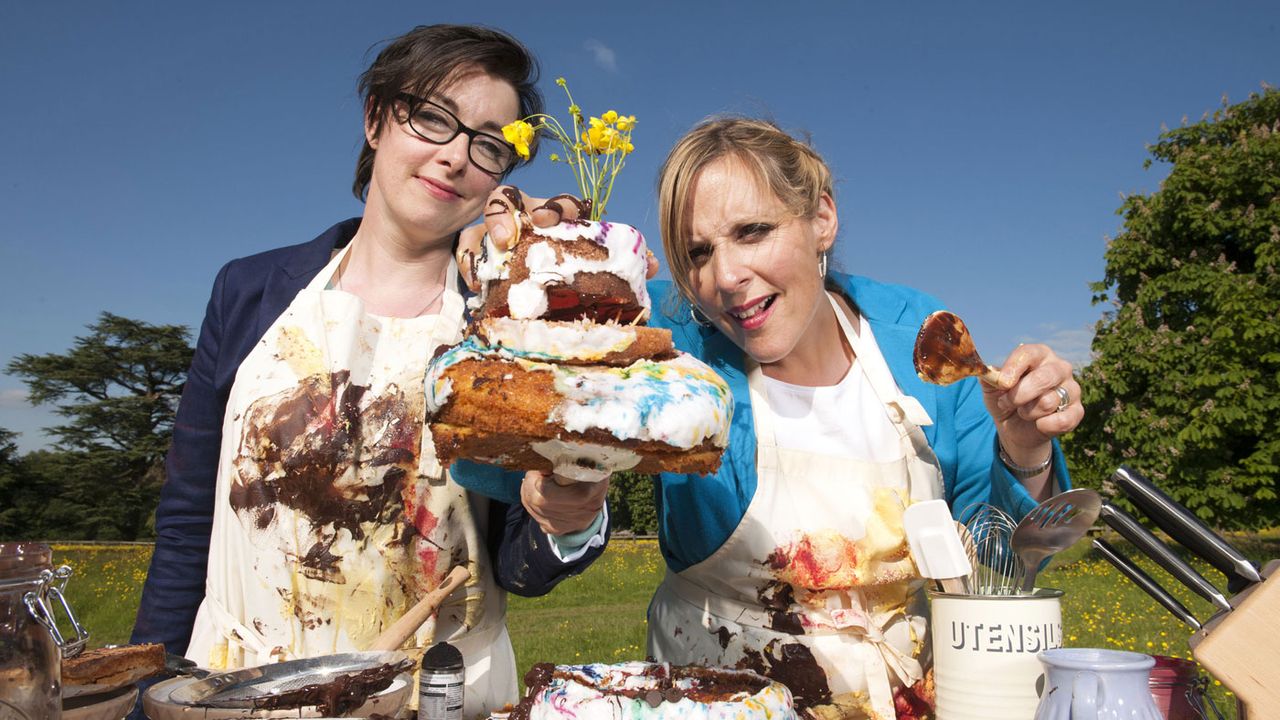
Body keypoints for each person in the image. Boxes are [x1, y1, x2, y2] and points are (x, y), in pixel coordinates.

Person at [458, 117, 1082, 719]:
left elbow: (999, 572)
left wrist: (1024, 450)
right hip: (712, 700)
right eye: (698, 252)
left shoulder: (918, 339)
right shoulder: (673, 345)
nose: (726, 277)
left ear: (822, 218)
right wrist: (534, 264)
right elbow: (485, 452)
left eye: (753, 231)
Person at [130, 24, 608, 718]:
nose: (454, 158)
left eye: (487, 143)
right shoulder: (251, 293)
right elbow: (185, 521)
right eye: (434, 118)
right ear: (377, 118)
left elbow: (519, 561)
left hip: (440, 696)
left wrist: (570, 515)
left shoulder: (508, 325)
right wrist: (154, 691)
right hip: (236, 692)